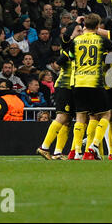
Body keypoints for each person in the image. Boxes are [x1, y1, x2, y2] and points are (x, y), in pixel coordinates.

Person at [68, 13, 112, 160]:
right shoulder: (101, 40)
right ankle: (93, 146)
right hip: (95, 82)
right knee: (106, 114)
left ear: (84, 25)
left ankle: (78, 151)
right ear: (98, 26)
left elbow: (70, 57)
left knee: (81, 117)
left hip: (78, 82)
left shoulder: (76, 41)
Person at [37, 23, 83, 160]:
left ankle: (57, 152)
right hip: (65, 86)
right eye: (78, 30)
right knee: (62, 117)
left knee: (68, 121)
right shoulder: (68, 46)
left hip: (73, 86)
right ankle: (44, 147)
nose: (81, 33)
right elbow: (60, 61)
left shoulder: (79, 46)